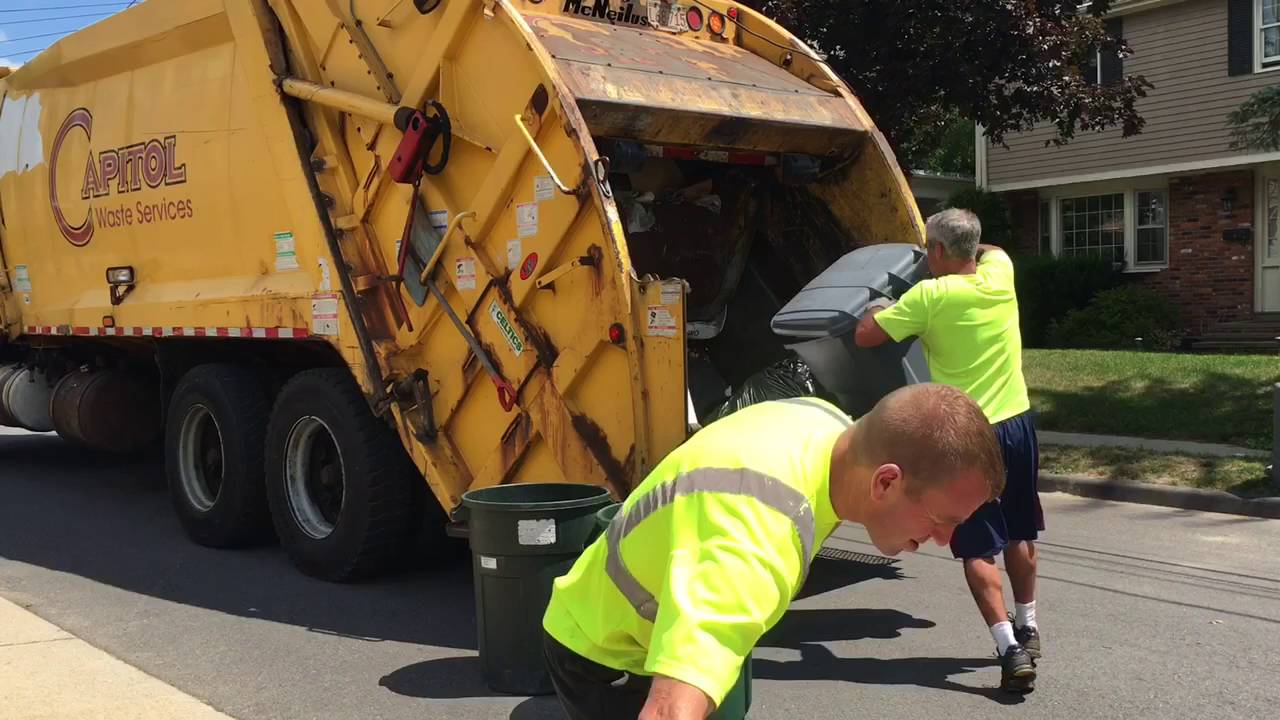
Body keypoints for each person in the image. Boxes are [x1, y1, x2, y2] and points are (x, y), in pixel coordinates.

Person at [542, 383, 1005, 720]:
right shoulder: (756, 537)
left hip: (633, 614)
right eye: (942, 519)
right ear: (886, 481)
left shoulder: (826, 425)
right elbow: (668, 711)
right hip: (605, 653)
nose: (945, 540)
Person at [854, 208, 1043, 693]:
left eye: (928, 248)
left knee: (977, 544)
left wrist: (879, 306)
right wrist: (970, 245)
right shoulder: (1000, 274)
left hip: (968, 436)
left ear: (936, 251)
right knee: (1021, 531)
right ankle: (1028, 624)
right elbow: (994, 250)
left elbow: (865, 335)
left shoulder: (929, 297)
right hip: (1018, 424)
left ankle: (1009, 648)